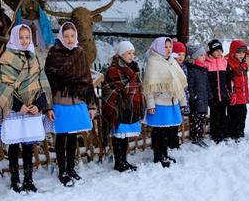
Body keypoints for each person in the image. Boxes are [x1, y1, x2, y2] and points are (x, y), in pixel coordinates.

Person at [0, 24, 52, 192]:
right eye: (21, 37)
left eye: (27, 37)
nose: (25, 41)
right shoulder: (7, 58)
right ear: (14, 38)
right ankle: (14, 180)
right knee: (13, 145)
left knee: (28, 145)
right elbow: (2, 86)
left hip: (32, 108)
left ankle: (28, 179)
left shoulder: (36, 58)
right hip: (15, 108)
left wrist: (39, 105)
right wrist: (19, 106)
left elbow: (43, 84)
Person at [45, 22, 97, 186]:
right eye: (66, 36)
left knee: (73, 136)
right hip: (60, 101)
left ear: (76, 36)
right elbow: (47, 83)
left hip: (78, 101)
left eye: (72, 36)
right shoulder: (54, 54)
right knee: (61, 137)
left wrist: (91, 105)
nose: (69, 39)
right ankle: (62, 171)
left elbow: (87, 81)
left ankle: (71, 168)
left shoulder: (80, 53)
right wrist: (49, 106)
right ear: (61, 36)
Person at [143, 37, 187, 168]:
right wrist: (150, 105)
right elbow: (148, 87)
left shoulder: (172, 61)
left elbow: (180, 84)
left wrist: (182, 101)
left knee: (167, 131)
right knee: (159, 132)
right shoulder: (153, 62)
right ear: (158, 47)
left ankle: (164, 153)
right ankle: (158, 156)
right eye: (165, 47)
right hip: (159, 103)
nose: (168, 50)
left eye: (169, 47)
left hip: (172, 102)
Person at [102, 41, 143, 172]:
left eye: (133, 53)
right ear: (121, 54)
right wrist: (127, 92)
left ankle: (124, 160)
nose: (132, 56)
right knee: (119, 135)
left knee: (125, 136)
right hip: (118, 107)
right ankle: (118, 163)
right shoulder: (113, 69)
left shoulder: (134, 68)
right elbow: (109, 89)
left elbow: (137, 86)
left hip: (130, 107)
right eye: (128, 53)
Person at [186, 45, 212, 147]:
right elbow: (190, 85)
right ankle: (195, 137)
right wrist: (193, 97)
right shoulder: (192, 70)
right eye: (201, 55)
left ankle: (200, 136)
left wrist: (210, 95)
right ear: (195, 57)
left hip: (204, 99)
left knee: (202, 119)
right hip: (196, 100)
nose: (203, 57)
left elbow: (207, 84)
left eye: (204, 55)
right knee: (195, 119)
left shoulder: (204, 69)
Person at [205, 39, 230, 143]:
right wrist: (210, 96)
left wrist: (228, 92)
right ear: (211, 51)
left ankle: (224, 133)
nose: (219, 53)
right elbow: (206, 82)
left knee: (223, 115)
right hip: (213, 97)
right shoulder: (206, 63)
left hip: (224, 96)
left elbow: (228, 80)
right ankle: (215, 135)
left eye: (220, 50)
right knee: (215, 116)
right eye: (216, 51)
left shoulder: (224, 62)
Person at [226, 40, 249, 140]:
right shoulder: (230, 65)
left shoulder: (244, 65)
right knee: (233, 115)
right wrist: (232, 93)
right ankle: (233, 133)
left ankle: (240, 132)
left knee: (243, 114)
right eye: (238, 52)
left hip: (243, 96)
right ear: (233, 53)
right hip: (234, 97)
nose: (241, 55)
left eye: (243, 52)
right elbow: (228, 82)